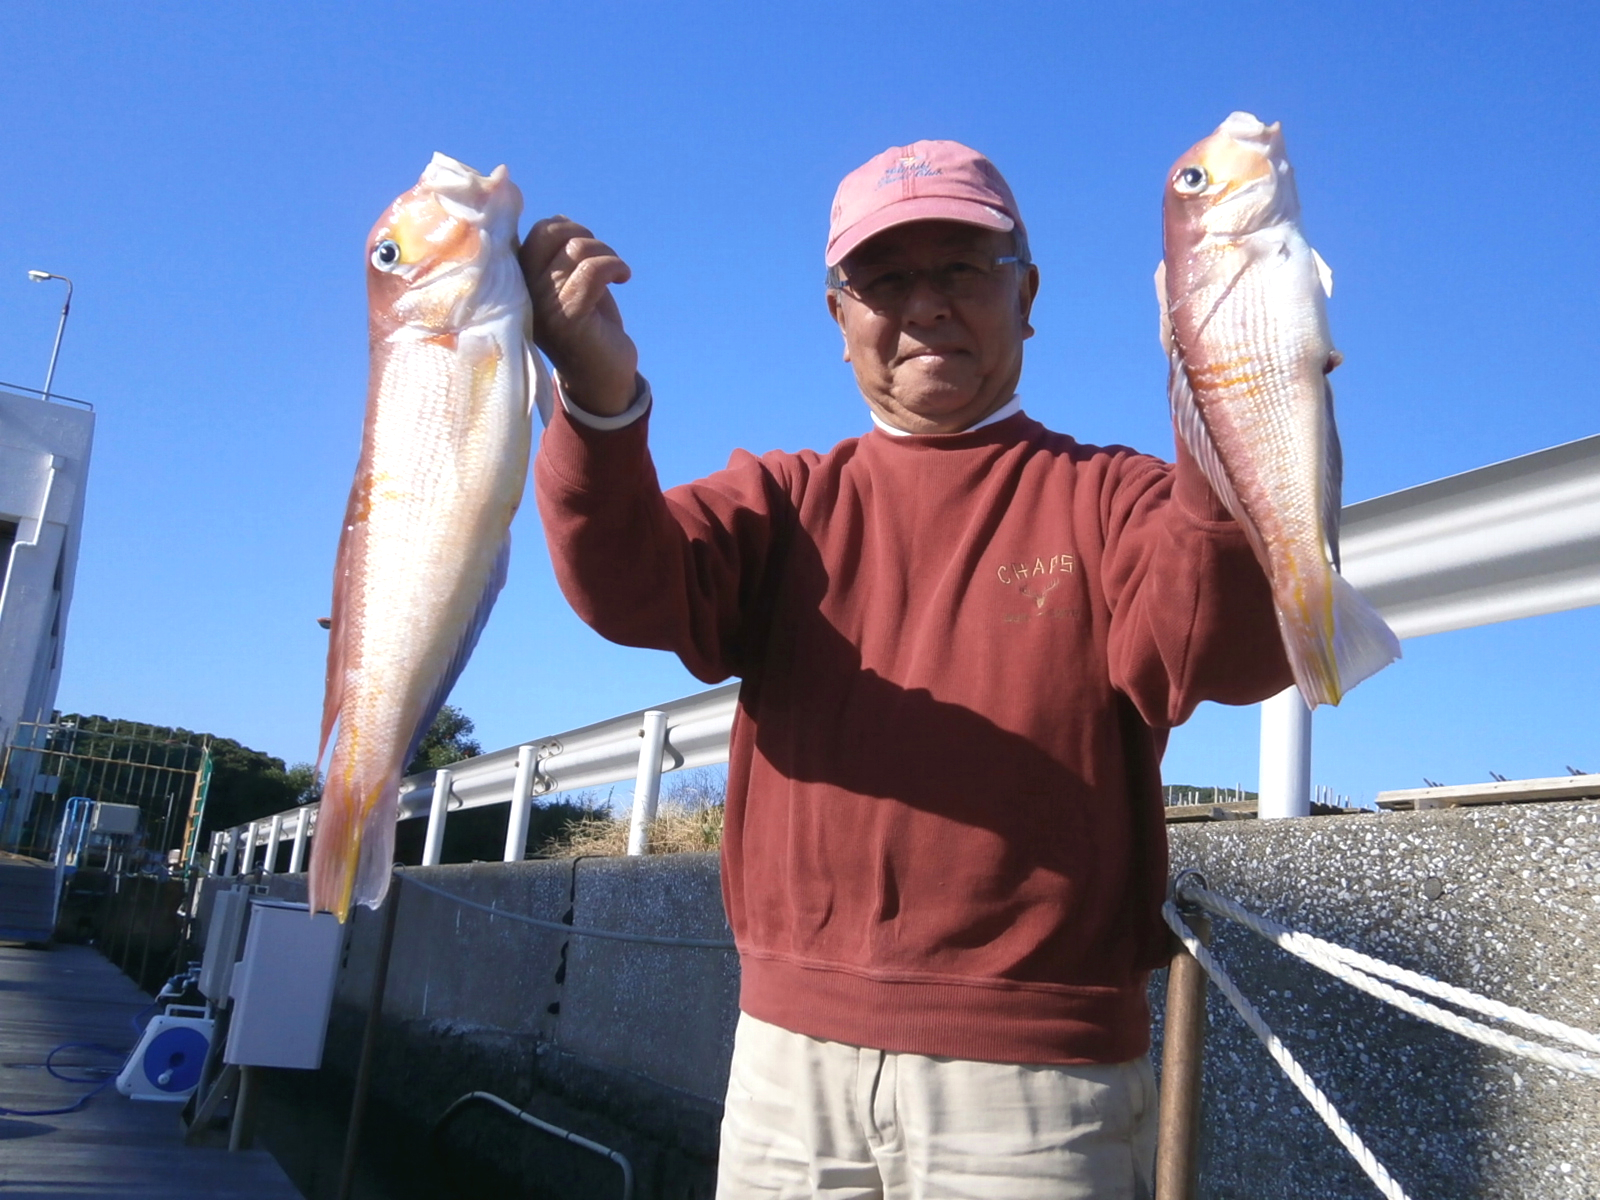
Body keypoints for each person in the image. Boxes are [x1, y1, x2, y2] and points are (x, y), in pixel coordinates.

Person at [520, 140, 1290, 1200]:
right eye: (885, 279)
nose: (925, 306)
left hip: (1035, 1081)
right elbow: (625, 580)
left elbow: (1232, 651)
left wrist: (1226, 399)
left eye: (964, 269)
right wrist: (599, 402)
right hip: (784, 1058)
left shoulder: (1119, 501)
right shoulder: (782, 501)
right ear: (838, 321)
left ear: (1027, 296)